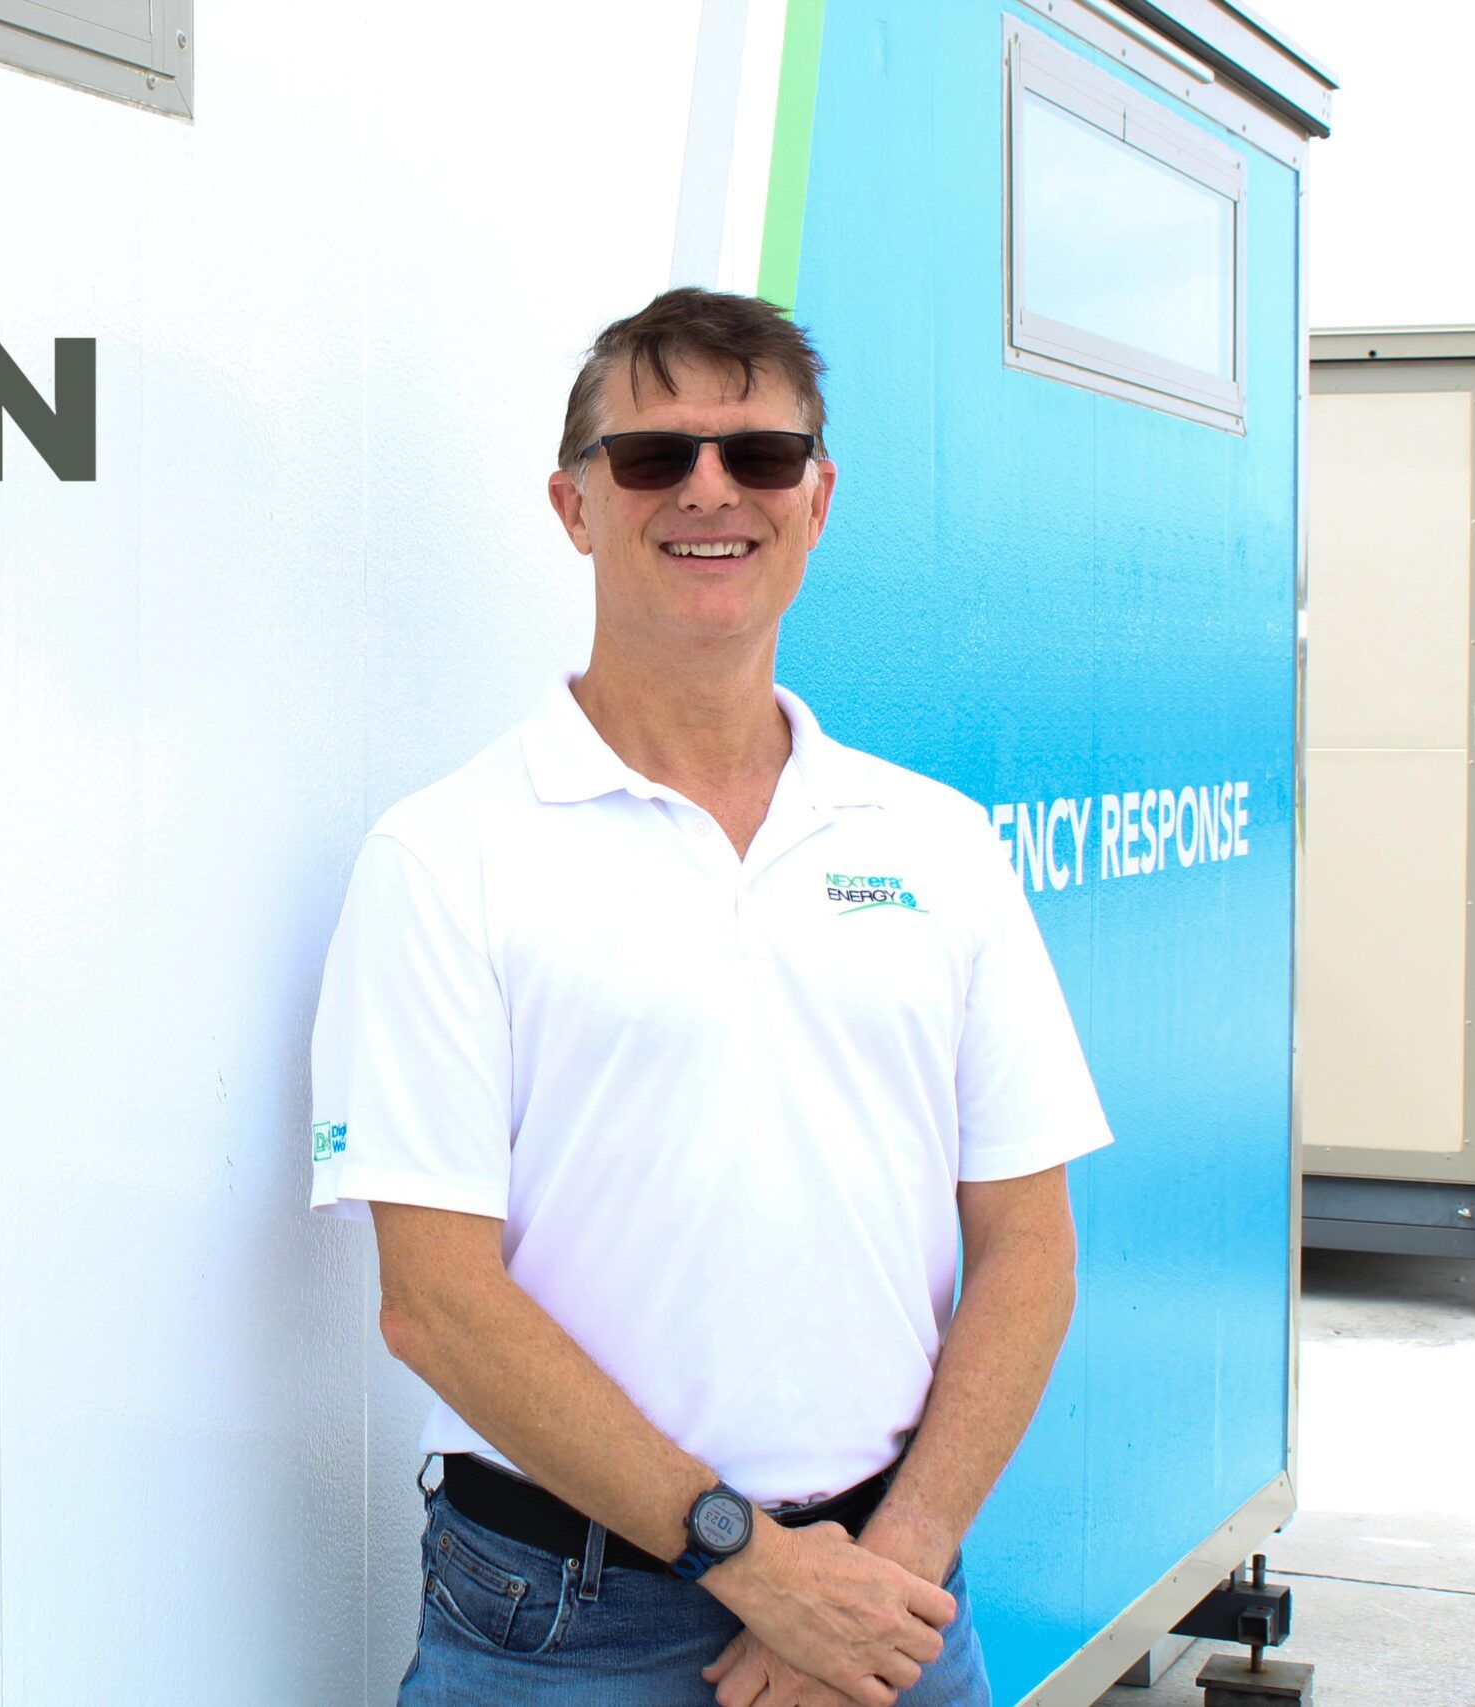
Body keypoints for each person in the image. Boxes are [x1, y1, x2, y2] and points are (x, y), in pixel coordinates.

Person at [309, 287, 1112, 1706]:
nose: (707, 491)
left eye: (758, 456)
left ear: (817, 500)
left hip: (889, 1604)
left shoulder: (936, 843)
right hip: (566, 1627)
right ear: (574, 505)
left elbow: (1029, 1248)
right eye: (652, 456)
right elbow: (434, 1304)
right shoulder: (445, 857)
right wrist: (756, 1566)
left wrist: (882, 1573)